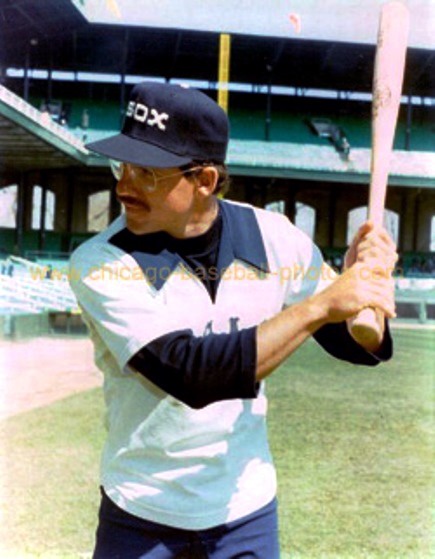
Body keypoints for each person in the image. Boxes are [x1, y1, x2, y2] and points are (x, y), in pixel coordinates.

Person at [69, 81, 397, 559]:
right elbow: (191, 375)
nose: (123, 186)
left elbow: (355, 343)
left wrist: (368, 282)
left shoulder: (273, 236)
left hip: (245, 510)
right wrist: (323, 304)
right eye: (121, 165)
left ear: (204, 180)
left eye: (146, 172)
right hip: (141, 511)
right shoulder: (101, 261)